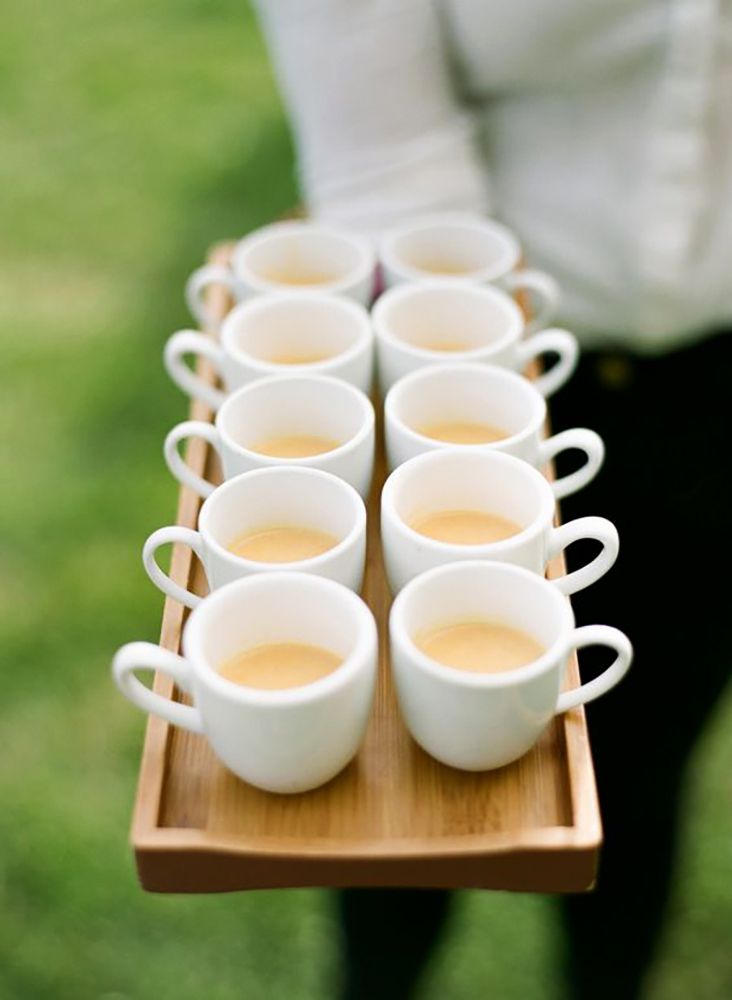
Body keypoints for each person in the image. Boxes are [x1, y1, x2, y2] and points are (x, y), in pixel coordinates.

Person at [250, 3, 732, 998]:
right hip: (478, 364)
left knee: (642, 780)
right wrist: (454, 384)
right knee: (399, 801)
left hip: (716, 394)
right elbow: (389, 172)